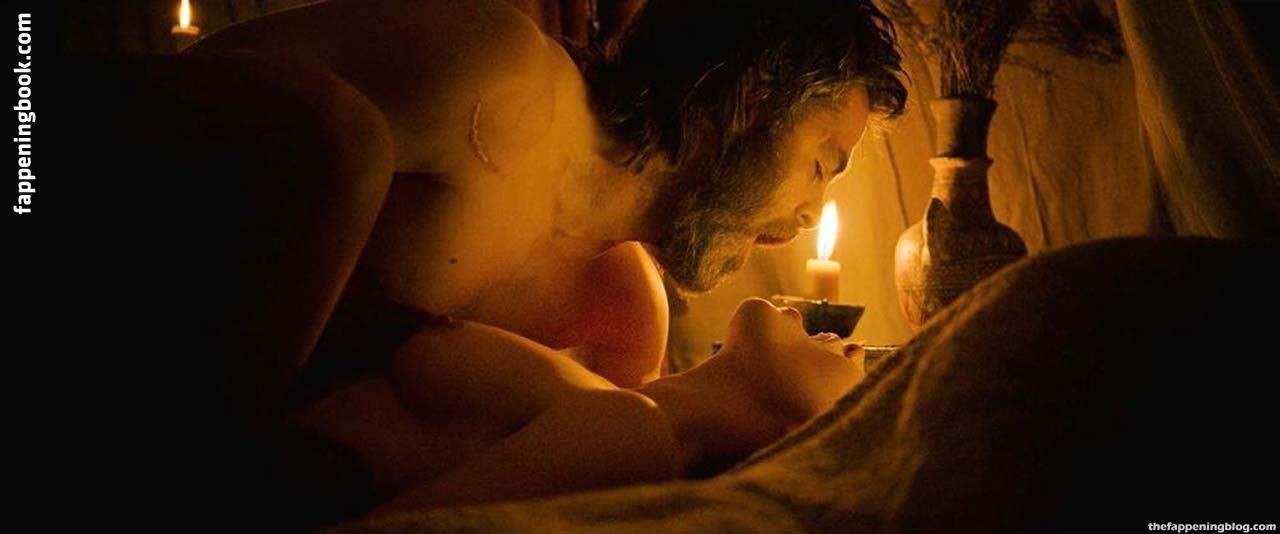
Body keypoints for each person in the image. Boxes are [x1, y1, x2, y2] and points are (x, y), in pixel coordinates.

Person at [175, 0, 906, 525]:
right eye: (822, 163)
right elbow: (169, 108)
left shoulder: (624, 318)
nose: (810, 212)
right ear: (754, 96)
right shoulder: (495, 76)